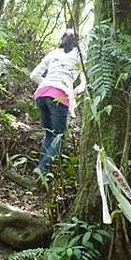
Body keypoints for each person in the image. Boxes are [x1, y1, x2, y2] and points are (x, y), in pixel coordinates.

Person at [30, 29, 85, 177]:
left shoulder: (53, 53)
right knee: (59, 135)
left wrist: (48, 85)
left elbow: (33, 75)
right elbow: (84, 83)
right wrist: (72, 92)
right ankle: (42, 169)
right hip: (59, 96)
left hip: (41, 94)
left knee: (49, 133)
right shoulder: (80, 55)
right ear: (77, 40)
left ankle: (41, 166)